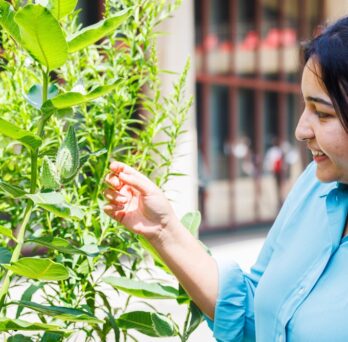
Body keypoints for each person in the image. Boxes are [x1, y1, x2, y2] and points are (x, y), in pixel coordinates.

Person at [103, 16, 348, 342]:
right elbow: (256, 319)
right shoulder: (313, 188)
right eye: (304, 106)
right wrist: (162, 230)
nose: (301, 130)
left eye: (324, 113)